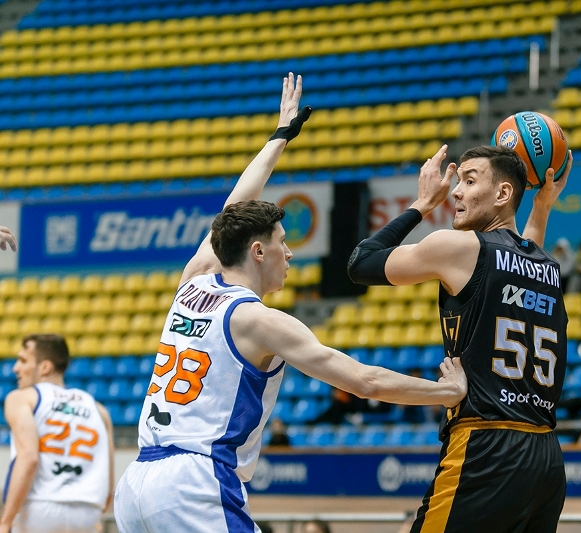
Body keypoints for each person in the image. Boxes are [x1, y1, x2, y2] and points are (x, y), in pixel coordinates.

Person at [114, 74, 467, 533]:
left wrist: (280, 135)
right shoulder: (259, 320)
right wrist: (447, 392)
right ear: (258, 251)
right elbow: (364, 381)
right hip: (194, 483)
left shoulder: (192, 283)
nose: (290, 253)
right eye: (283, 242)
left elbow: (232, 208)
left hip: (137, 480)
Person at [348, 144, 572, 532]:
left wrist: (422, 204)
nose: (455, 191)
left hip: (485, 447)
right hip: (545, 458)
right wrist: (542, 205)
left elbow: (360, 263)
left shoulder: (460, 247)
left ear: (502, 193)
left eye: (469, 181)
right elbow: (521, 251)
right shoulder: (547, 266)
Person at [1, 334, 114, 533]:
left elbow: (29, 459)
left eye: (23, 361)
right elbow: (109, 486)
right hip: (88, 511)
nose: (15, 368)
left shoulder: (22, 398)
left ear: (45, 367)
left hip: (39, 506)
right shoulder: (99, 410)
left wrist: (5, 521)